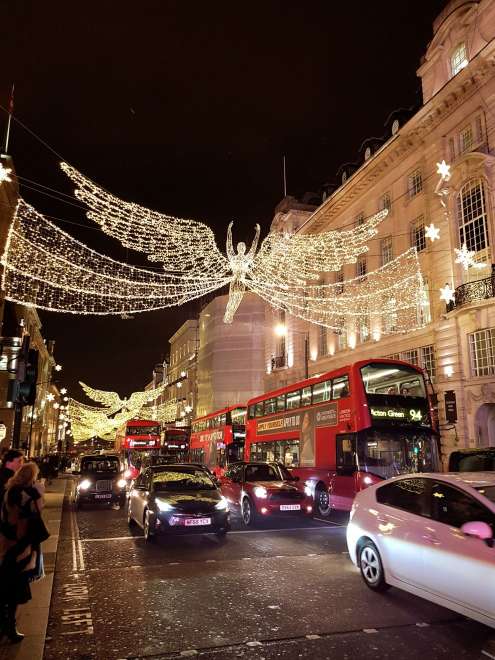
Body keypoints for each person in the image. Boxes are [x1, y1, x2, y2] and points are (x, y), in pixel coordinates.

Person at [0, 461, 48, 643]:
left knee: (8, 583)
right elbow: (36, 513)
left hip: (8, 542)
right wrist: (38, 494)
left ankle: (7, 622)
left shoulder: (10, 491)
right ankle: (9, 626)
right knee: (13, 587)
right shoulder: (25, 494)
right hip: (19, 543)